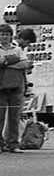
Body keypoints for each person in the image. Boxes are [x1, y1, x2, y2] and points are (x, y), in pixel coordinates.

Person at [0, 23, 34, 152]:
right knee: (0, 118)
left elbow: (25, 64)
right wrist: (14, 60)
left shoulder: (17, 49)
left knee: (14, 118)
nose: (4, 37)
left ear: (11, 36)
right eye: (2, 34)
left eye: (7, 35)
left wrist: (7, 63)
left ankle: (13, 144)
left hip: (16, 87)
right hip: (1, 87)